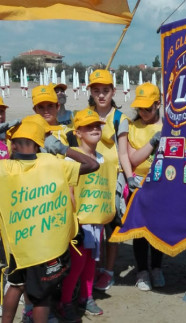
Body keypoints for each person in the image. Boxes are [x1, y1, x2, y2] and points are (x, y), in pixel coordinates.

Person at [0, 115, 99, 323]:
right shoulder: (53, 164)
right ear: (39, 145)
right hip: (44, 248)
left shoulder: (5, 169)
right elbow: (92, 164)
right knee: (42, 298)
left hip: (18, 246)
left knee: (16, 285)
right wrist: (65, 149)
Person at [57, 108, 117, 322]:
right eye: (88, 126)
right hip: (80, 223)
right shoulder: (72, 158)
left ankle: (86, 296)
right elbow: (70, 192)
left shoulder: (105, 158)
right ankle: (65, 301)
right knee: (77, 264)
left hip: (97, 220)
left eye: (97, 126)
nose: (94, 129)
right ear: (78, 132)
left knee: (92, 262)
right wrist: (75, 221)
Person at [85, 69, 136, 291]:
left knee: (112, 226)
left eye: (105, 90)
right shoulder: (86, 115)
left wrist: (130, 177)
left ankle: (108, 270)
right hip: (90, 177)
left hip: (113, 177)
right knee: (93, 225)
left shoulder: (120, 118)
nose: (102, 95)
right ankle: (92, 267)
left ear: (113, 91)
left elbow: (123, 153)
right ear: (91, 92)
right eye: (97, 91)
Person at [127, 82, 165, 291]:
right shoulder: (134, 128)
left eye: (147, 108)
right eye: (139, 108)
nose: (142, 112)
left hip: (162, 185)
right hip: (140, 185)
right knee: (140, 231)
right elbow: (133, 159)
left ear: (158, 104)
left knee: (158, 228)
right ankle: (142, 270)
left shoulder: (168, 126)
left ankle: (157, 267)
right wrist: (152, 142)